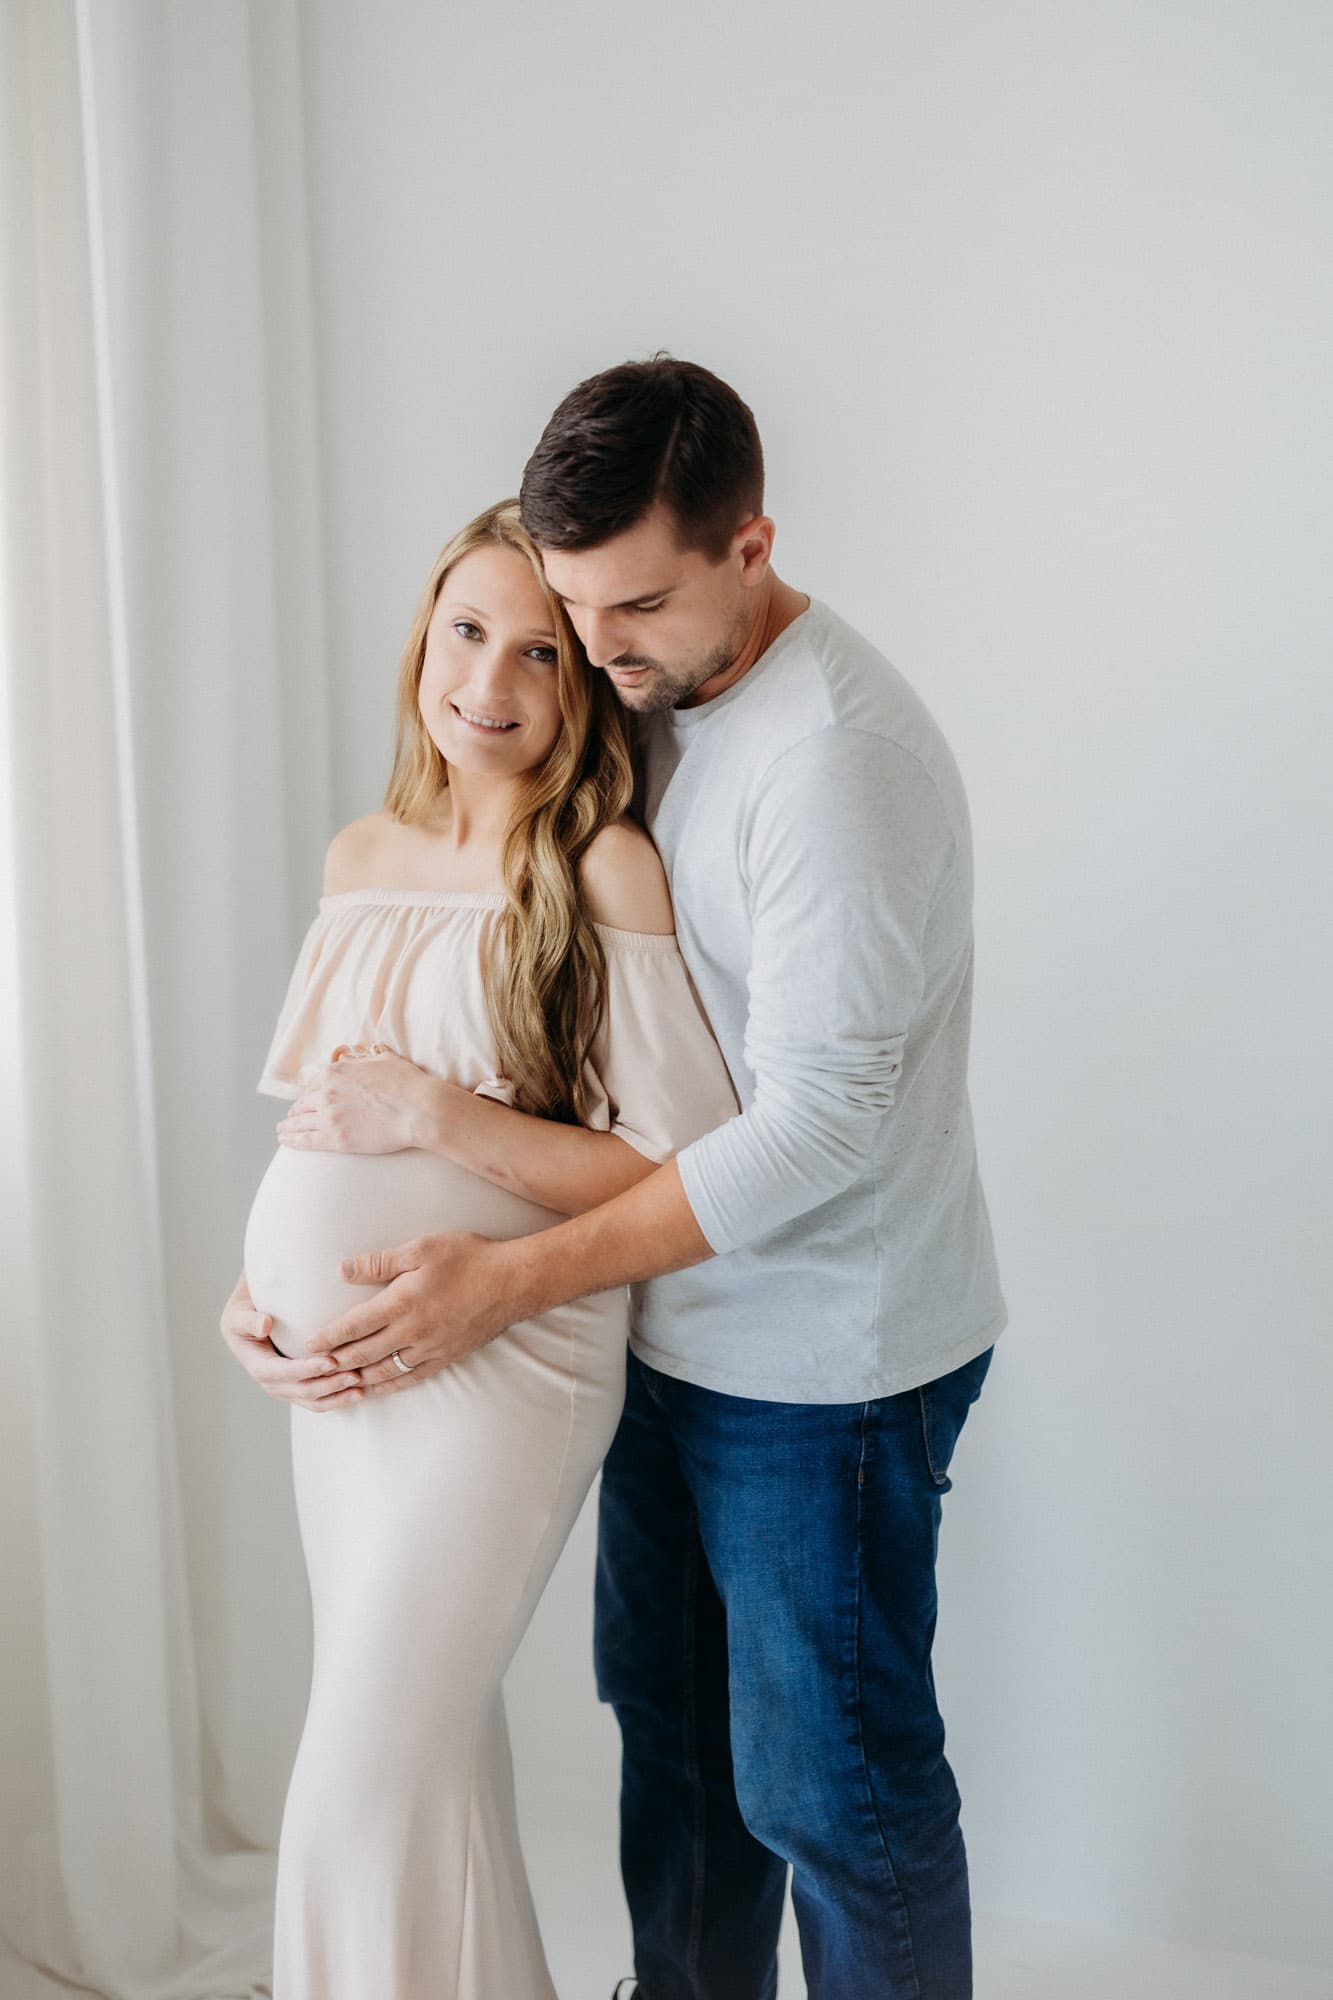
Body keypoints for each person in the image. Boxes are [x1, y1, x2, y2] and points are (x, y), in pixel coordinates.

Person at [274, 357, 1009, 2000]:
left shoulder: (834, 759)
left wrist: (511, 1275)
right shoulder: (657, 693)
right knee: (673, 1759)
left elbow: (817, 1130)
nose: (598, 654)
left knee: (831, 1790)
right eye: (572, 611)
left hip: (823, 1359)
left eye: (635, 610)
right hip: (659, 1331)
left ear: (752, 547)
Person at [219, 497, 739, 2000]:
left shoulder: (601, 871)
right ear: (422, 637)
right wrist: (255, 1290)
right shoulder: (362, 853)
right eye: (465, 633)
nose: (488, 687)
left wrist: (446, 1117)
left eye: (537, 654)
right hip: (344, 1383)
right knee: (422, 1758)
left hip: (505, 1365)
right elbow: (320, 1128)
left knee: (360, 1767)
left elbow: (677, 1170)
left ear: (582, 684)